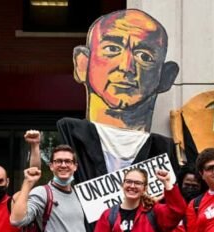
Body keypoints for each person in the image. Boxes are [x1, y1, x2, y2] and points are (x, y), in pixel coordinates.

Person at [59, 8, 180, 182]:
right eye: (112, 48)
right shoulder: (67, 135)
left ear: (165, 76)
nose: (126, 66)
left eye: (144, 56)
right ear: (82, 63)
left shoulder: (165, 150)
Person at [10, 144, 92, 232]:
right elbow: (17, 220)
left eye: (68, 161)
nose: (63, 165)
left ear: (75, 166)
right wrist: (28, 183)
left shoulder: (81, 194)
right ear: (51, 166)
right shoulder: (42, 192)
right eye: (58, 161)